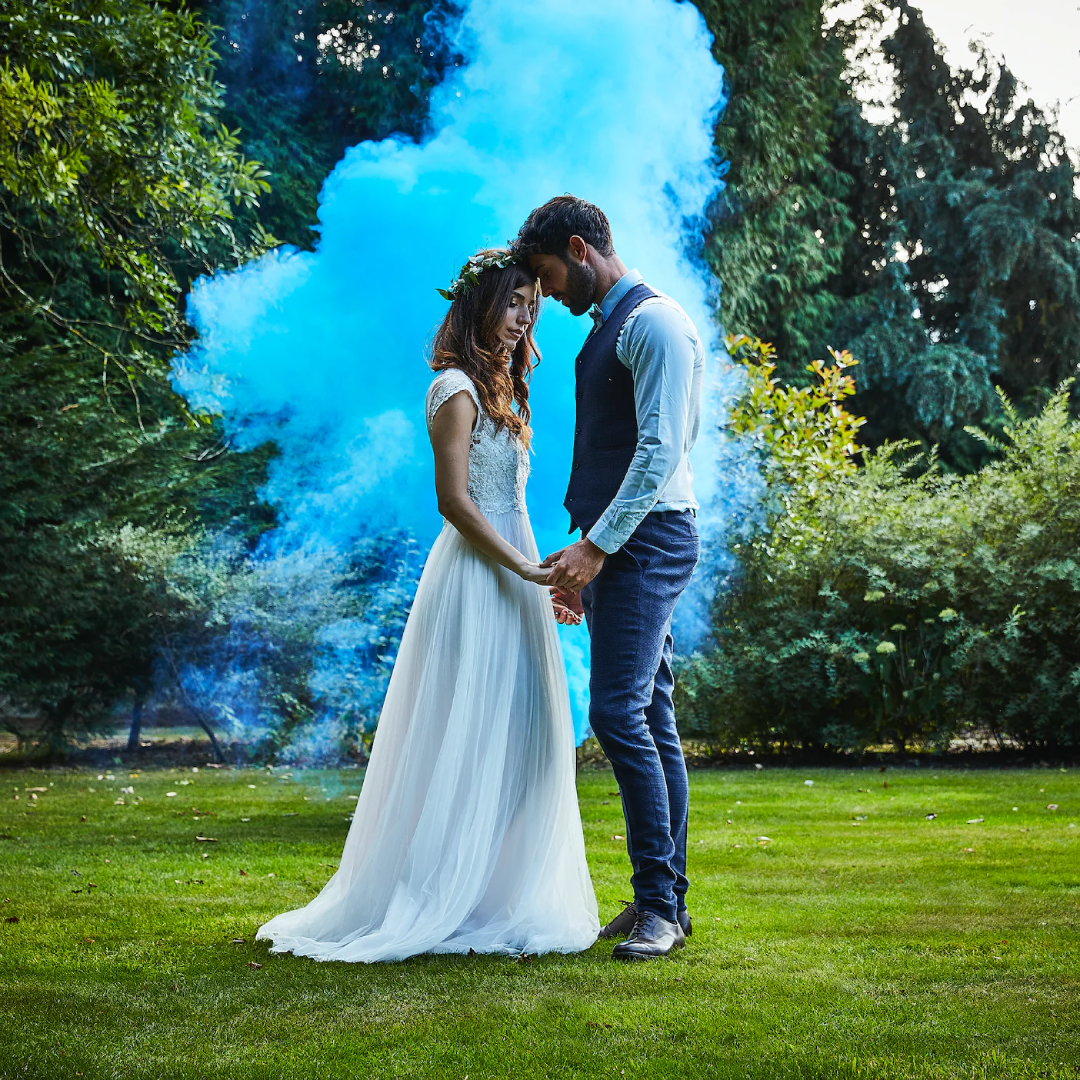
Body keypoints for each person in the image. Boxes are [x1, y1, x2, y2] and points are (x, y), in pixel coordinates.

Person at [256, 249, 599, 962]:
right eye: (513, 303)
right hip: (477, 574)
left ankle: (499, 891)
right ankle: (441, 892)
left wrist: (547, 581)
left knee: (529, 735)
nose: (524, 318)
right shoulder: (453, 389)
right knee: (465, 729)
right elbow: (455, 503)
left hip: (519, 564)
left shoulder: (511, 388)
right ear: (480, 307)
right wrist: (521, 570)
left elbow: (512, 501)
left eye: (532, 306)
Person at [515, 196, 704, 960]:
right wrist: (587, 549)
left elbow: (661, 454)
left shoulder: (654, 324)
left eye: (550, 275)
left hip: (650, 541)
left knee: (620, 715)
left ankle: (660, 904)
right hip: (626, 541)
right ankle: (667, 903)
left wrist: (594, 550)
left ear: (578, 249)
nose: (549, 294)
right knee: (649, 717)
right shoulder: (611, 327)